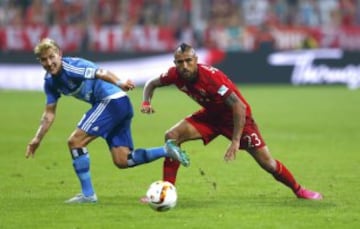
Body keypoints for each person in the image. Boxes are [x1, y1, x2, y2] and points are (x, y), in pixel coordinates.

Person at [140, 42, 323, 200]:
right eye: (180, 62)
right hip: (211, 116)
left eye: (189, 60)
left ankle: (299, 190)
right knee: (172, 137)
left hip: (236, 119)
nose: (185, 66)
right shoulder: (173, 74)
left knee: (268, 163)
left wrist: (235, 141)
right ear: (175, 63)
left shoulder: (211, 78)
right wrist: (146, 102)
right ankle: (166, 192)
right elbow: (151, 84)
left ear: (196, 60)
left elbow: (239, 107)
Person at [25, 38, 190, 204]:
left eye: (52, 57)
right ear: (40, 61)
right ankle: (167, 151)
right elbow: (49, 114)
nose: (49, 62)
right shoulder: (50, 82)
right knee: (123, 160)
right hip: (119, 105)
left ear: (59, 54)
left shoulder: (72, 66)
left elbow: (101, 72)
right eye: (44, 59)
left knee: (75, 141)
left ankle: (88, 195)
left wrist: (120, 82)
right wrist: (37, 138)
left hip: (111, 101)